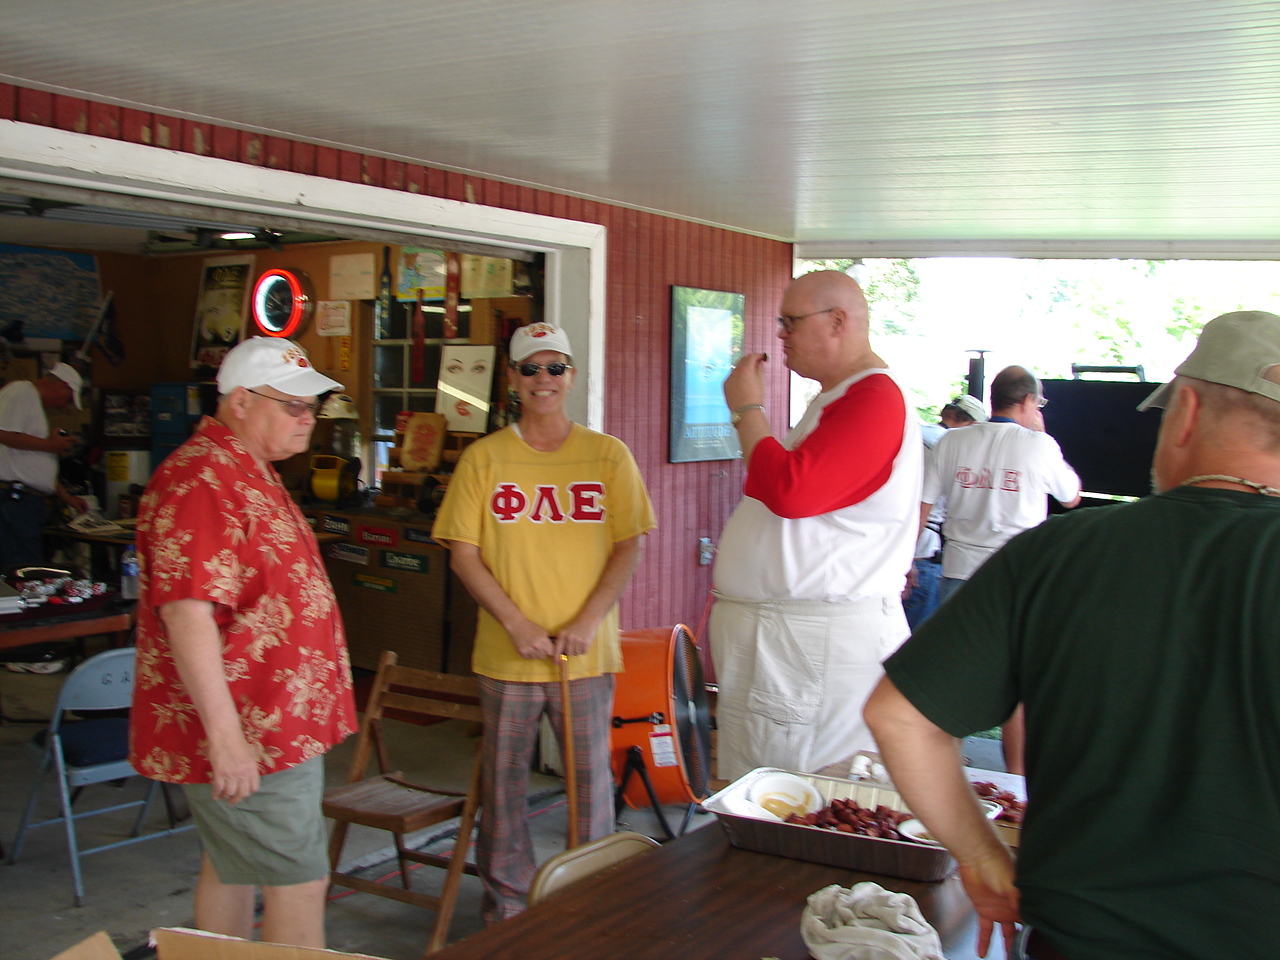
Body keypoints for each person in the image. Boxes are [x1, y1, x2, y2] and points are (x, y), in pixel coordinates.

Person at [865, 310, 1280, 960]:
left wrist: (981, 856)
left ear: (1187, 412)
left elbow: (900, 717)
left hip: (1077, 938)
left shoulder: (1055, 556)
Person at [129, 337, 356, 948]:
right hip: (254, 729)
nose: (308, 418)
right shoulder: (203, 480)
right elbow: (188, 614)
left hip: (274, 720)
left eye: (313, 407)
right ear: (240, 402)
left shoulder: (243, 468)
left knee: (231, 864)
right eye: (294, 405)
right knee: (298, 880)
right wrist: (227, 739)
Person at [432, 322, 656, 924]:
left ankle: (590, 906)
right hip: (508, 655)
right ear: (511, 378)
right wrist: (515, 623)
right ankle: (508, 911)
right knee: (504, 789)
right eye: (530, 368)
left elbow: (629, 545)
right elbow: (463, 553)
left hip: (585, 654)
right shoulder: (484, 458)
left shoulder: (608, 455)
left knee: (590, 786)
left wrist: (588, 619)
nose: (543, 379)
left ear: (572, 376)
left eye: (555, 367)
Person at [710, 270, 921, 783]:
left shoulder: (874, 398)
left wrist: (747, 409)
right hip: (792, 639)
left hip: (812, 642)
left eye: (791, 321)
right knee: (763, 785)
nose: (780, 334)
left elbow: (791, 490)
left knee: (798, 792)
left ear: (838, 321)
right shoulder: (841, 399)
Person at [921, 366, 1080, 775]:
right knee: (1018, 686)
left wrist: (906, 564)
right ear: (1028, 401)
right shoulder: (1039, 445)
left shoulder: (952, 441)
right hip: (1019, 576)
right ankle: (1017, 783)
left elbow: (923, 505)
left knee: (955, 676)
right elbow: (1071, 497)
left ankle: (944, 773)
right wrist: (1041, 433)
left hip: (958, 570)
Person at [903, 394, 989, 630]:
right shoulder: (952, 447)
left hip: (890, 551)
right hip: (925, 554)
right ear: (972, 424)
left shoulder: (910, 435)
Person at [0, 362, 89, 568]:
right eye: (67, 399)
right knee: (24, 567)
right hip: (15, 499)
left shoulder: (32, 402)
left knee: (26, 563)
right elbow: (3, 434)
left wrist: (66, 496)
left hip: (25, 500)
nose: (64, 406)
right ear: (62, 386)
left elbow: (30, 462)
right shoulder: (21, 391)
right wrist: (50, 445)